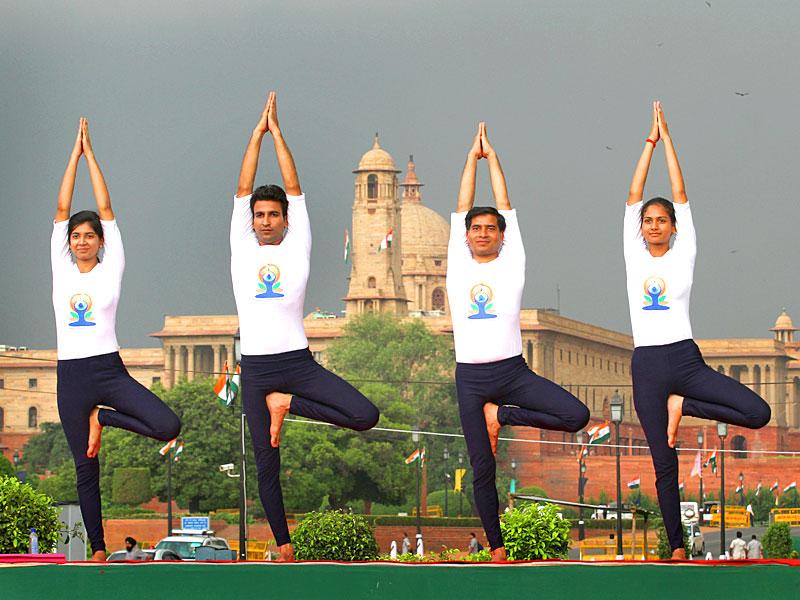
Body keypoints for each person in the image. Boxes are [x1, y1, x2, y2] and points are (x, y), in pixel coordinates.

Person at [231, 92, 379, 562]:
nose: (267, 220)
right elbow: (242, 187)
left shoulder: (298, 246)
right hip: (254, 368)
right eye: (260, 215)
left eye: (274, 215)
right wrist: (256, 137)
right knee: (265, 464)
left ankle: (287, 405)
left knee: (365, 415)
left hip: (297, 365)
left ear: (286, 220)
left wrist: (280, 137)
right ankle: (284, 545)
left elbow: (295, 189)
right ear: (251, 221)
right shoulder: (242, 246)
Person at [624, 102, 770, 560]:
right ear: (641, 227)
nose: (653, 226)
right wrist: (646, 144)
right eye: (647, 221)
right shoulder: (634, 254)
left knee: (757, 412)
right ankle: (676, 548)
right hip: (647, 364)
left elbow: (681, 192)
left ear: (672, 227)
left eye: (661, 220)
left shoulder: (683, 252)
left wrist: (668, 141)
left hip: (685, 361)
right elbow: (633, 193)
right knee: (662, 463)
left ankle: (682, 405)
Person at [447, 123, 590, 562]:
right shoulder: (458, 262)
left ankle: (502, 416)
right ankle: (496, 547)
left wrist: (496, 161)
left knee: (576, 415)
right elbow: (460, 206)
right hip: (471, 379)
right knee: (482, 469)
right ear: (467, 235)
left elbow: (506, 203)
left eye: (492, 228)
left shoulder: (512, 264)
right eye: (477, 228)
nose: (484, 233)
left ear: (503, 235)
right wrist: (472, 160)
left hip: (512, 374)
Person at [53, 118, 181, 562]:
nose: (83, 241)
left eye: (90, 236)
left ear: (101, 241)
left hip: (109, 371)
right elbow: (61, 205)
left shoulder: (112, 267)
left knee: (168, 426)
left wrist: (93, 158)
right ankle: (97, 548)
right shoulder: (61, 267)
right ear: (68, 243)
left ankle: (104, 419)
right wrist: (74, 155)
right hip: (71, 377)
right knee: (85, 467)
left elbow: (106, 207)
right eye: (76, 236)